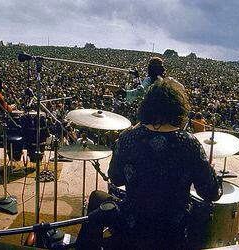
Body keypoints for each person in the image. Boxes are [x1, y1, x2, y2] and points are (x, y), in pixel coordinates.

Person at [77, 77, 222, 249]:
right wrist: (210, 170)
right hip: (172, 233)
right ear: (178, 110)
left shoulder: (128, 138)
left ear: (146, 108)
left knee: (98, 199)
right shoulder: (190, 143)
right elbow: (211, 193)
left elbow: (116, 179)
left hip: (133, 227)